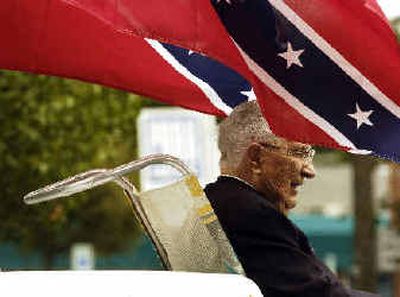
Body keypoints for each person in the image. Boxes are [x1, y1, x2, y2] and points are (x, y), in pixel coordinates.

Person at [204, 101, 379, 297]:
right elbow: (317, 294)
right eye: (298, 153)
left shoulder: (220, 202)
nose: (310, 170)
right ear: (255, 159)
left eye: (309, 155)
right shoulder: (252, 216)